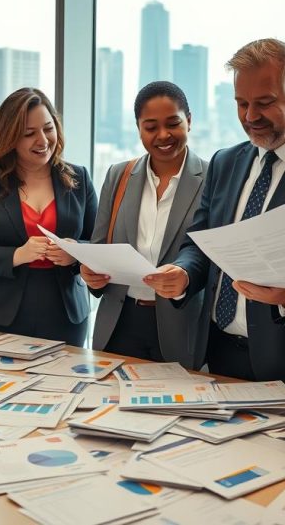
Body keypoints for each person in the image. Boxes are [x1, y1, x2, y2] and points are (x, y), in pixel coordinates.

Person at [145, 38, 285, 394]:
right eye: (242, 104)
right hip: (216, 354)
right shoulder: (225, 162)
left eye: (264, 103)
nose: (250, 117)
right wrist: (184, 272)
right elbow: (201, 242)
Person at [0, 88, 97, 347]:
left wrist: (75, 252)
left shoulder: (79, 178)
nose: (43, 140)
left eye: (48, 128)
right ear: (10, 138)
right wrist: (18, 254)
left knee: (63, 387)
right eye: (29, 134)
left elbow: (100, 243)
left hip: (66, 316)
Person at [81, 82, 208, 367]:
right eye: (151, 127)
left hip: (181, 326)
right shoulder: (118, 175)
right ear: (138, 128)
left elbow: (212, 257)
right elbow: (99, 246)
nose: (163, 135)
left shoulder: (213, 178)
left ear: (189, 120)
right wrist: (91, 276)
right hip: (120, 322)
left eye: (173, 123)